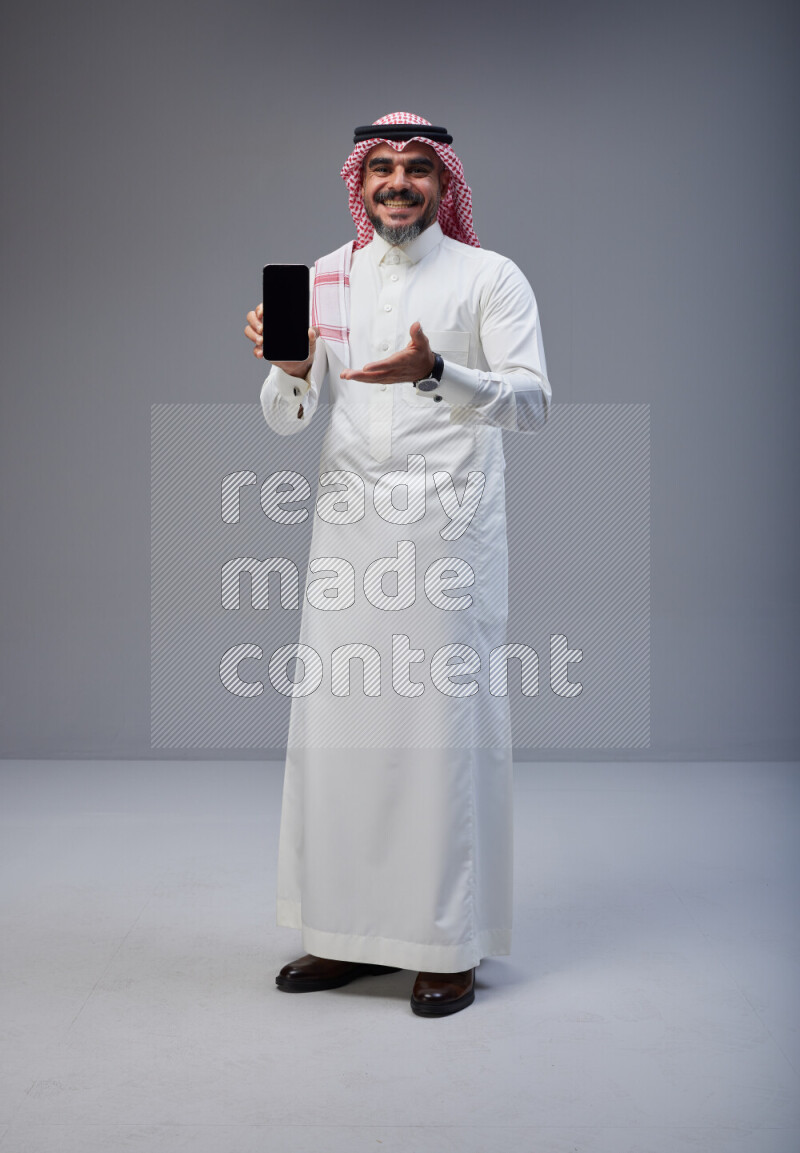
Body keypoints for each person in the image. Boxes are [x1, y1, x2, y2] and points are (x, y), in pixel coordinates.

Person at [244, 112, 552, 1017]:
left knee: (437, 736)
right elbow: (286, 421)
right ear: (360, 180)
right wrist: (294, 368)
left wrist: (438, 372)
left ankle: (446, 944)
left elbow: (533, 403)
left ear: (444, 182)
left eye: (417, 169)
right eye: (380, 168)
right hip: (347, 534)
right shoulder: (324, 276)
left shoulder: (490, 277)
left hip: (449, 535)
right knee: (337, 731)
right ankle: (343, 935)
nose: (397, 184)